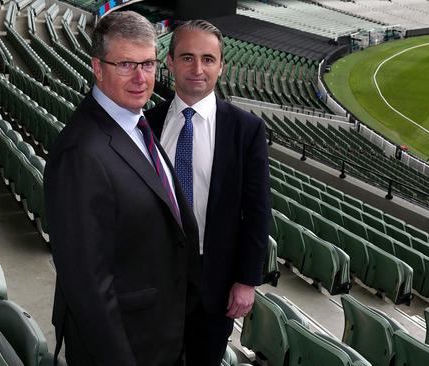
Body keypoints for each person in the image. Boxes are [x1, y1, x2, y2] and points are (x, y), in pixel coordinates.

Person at [44, 11, 200, 366]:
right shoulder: (81, 153)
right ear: (97, 68)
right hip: (126, 347)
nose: (140, 78)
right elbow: (87, 285)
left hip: (160, 333)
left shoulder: (136, 123)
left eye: (147, 64)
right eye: (126, 64)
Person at [145, 20, 270, 366]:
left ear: (221, 66)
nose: (197, 69)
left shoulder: (246, 130)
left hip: (214, 281)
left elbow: (257, 211)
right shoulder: (145, 124)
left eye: (207, 59)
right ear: (169, 62)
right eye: (187, 58)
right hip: (153, 274)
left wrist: (246, 280)